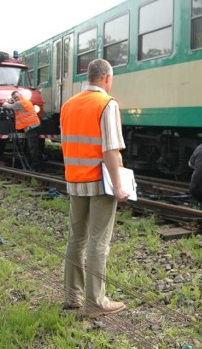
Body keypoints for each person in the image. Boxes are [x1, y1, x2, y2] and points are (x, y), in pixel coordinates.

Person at [60, 58, 130, 319]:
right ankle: (95, 302)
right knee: (99, 241)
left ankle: (72, 296)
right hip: (100, 183)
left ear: (89, 77)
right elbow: (110, 150)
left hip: (75, 181)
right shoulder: (106, 104)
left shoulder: (68, 105)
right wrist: (120, 185)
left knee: (76, 238)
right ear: (107, 79)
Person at [2, 90, 42, 169]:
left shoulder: (20, 103)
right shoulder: (25, 101)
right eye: (15, 97)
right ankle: (35, 163)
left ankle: (35, 166)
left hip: (31, 127)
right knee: (33, 146)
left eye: (18, 96)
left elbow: (9, 106)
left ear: (20, 95)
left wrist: (5, 103)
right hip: (34, 125)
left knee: (32, 147)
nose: (17, 98)